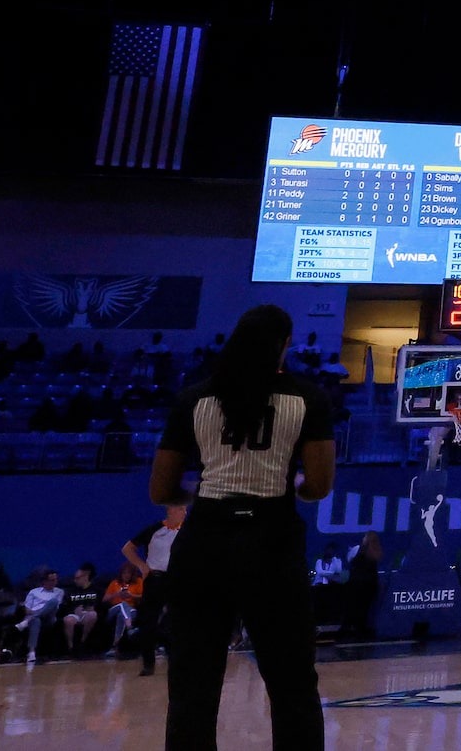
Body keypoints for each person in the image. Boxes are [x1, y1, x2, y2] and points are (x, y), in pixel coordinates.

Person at [147, 303, 336, 751]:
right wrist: (295, 490)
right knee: (292, 684)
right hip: (272, 542)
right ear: (285, 344)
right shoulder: (308, 398)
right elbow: (320, 484)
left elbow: (160, 490)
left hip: (205, 542)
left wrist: (206, 494)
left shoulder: (195, 398)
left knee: (193, 684)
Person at [122, 506, 182, 675]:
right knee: (149, 622)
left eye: (185, 510)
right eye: (180, 510)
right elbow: (127, 548)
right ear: (170, 511)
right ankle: (148, 664)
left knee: (175, 622)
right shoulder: (154, 530)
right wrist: (142, 566)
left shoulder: (186, 531)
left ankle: (175, 661)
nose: (184, 513)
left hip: (176, 580)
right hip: (155, 579)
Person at [335, 533, 380, 642]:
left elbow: (350, 559)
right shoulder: (376, 551)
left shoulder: (358, 549)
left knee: (351, 608)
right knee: (363, 610)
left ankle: (345, 631)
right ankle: (359, 632)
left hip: (357, 584)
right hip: (369, 584)